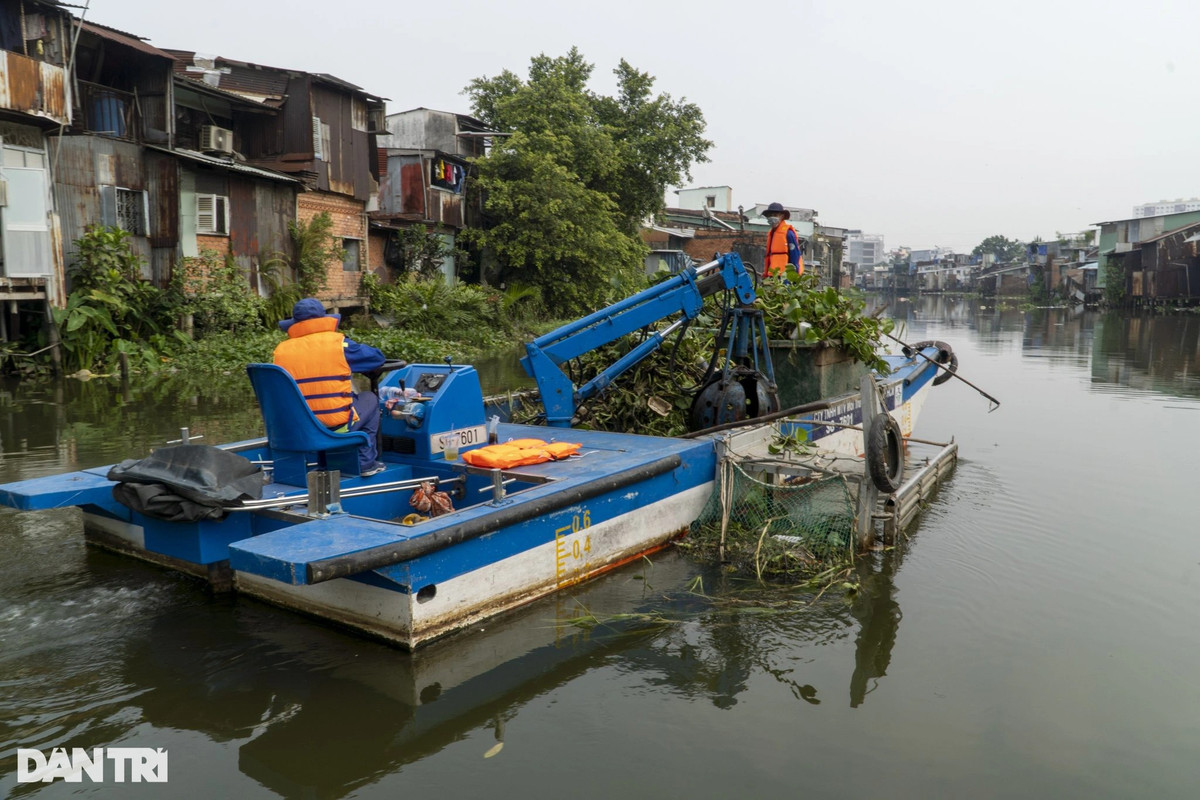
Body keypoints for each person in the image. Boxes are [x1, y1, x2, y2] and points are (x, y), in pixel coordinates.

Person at [274, 297, 387, 477]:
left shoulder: (281, 351)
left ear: (294, 323)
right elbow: (377, 358)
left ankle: (324, 462)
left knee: (313, 406)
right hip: (335, 427)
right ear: (324, 319)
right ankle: (365, 463)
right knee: (370, 399)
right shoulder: (339, 345)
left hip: (302, 428)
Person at [762, 202, 805, 279]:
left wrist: (795, 277)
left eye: (775, 215)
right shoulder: (771, 234)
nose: (772, 217)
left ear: (781, 216)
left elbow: (795, 256)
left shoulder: (788, 233)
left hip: (786, 277)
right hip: (773, 275)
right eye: (770, 215)